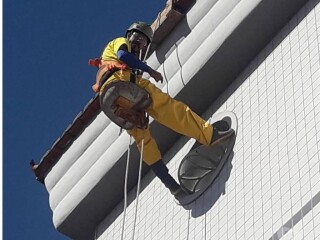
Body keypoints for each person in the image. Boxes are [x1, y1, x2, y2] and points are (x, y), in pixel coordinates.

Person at [91, 21, 234, 196]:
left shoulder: (109, 59)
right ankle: (210, 135)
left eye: (142, 43)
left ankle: (171, 186)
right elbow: (123, 55)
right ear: (129, 35)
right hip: (124, 83)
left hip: (112, 100)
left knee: (143, 141)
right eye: (137, 38)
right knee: (168, 107)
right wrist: (150, 70)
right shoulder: (121, 42)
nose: (138, 44)